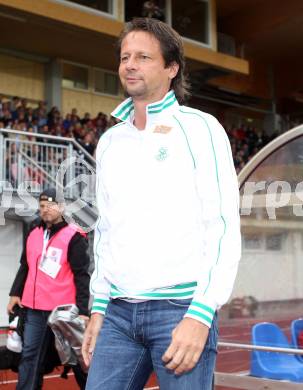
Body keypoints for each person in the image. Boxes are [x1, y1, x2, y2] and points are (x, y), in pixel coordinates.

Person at [82, 17, 241, 390]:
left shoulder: (201, 128)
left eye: (143, 57)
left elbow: (221, 226)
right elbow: (106, 231)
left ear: (172, 68)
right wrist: (99, 306)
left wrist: (201, 315)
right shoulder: (109, 142)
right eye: (125, 57)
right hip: (118, 314)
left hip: (180, 309)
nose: (130, 65)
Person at [7, 188, 90, 390]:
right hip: (34, 309)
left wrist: (83, 311)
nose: (45, 210)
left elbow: (82, 276)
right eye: (42, 206)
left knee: (78, 359)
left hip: (63, 312)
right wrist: (15, 293)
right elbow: (25, 265)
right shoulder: (33, 230)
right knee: (29, 356)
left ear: (61, 207)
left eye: (51, 205)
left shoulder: (74, 236)